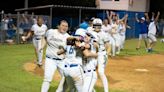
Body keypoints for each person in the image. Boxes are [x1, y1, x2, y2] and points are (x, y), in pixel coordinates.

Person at [41, 20, 70, 92]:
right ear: (58, 26)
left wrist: (62, 51)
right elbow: (44, 38)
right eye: (63, 25)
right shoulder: (51, 32)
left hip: (62, 61)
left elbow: (68, 49)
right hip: (50, 60)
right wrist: (42, 46)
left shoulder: (68, 37)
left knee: (67, 76)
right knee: (47, 79)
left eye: (66, 26)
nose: (65, 27)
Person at [89, 18, 111, 92]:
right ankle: (91, 89)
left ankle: (106, 90)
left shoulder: (104, 34)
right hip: (92, 54)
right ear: (93, 25)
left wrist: (106, 54)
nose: (97, 27)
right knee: (90, 72)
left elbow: (108, 45)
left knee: (101, 72)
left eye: (99, 25)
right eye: (96, 25)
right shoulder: (89, 32)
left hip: (101, 53)